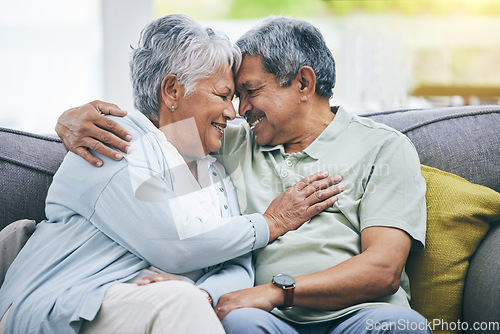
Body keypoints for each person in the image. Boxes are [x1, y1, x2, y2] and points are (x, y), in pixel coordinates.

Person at [54, 16, 431, 334]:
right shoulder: (229, 142)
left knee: (401, 326)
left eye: (250, 91)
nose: (239, 109)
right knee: (239, 323)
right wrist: (71, 119)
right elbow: (153, 130)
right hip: (261, 316)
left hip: (359, 313)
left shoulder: (384, 148)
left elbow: (383, 270)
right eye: (232, 96)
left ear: (304, 83)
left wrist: (277, 291)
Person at [0, 14, 343, 334]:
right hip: (68, 302)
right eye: (223, 95)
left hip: (154, 308)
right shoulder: (116, 140)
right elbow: (172, 244)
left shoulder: (212, 168)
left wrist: (206, 293)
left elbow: (240, 266)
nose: (232, 111)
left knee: (183, 300)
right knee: (180, 301)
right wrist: (271, 223)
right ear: (172, 91)